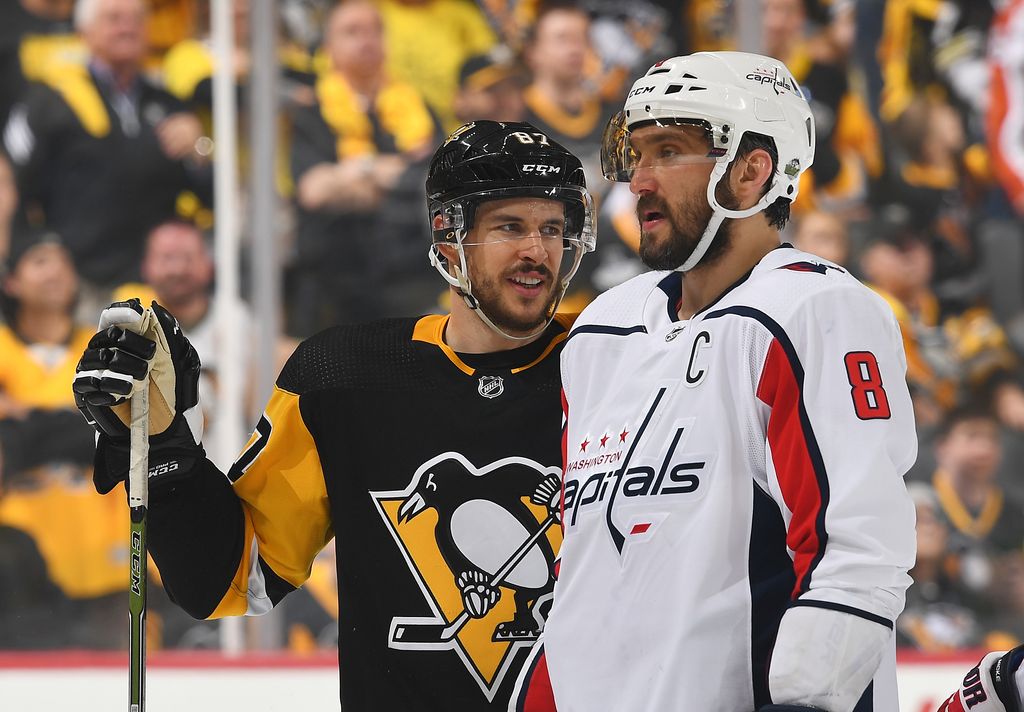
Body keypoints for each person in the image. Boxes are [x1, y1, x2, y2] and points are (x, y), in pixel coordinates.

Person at [72, 120, 595, 709]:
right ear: (449, 239)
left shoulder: (615, 365)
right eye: (509, 227)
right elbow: (230, 579)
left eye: (554, 228)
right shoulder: (346, 378)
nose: (537, 251)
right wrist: (167, 447)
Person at [532, 51, 918, 712]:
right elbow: (583, 574)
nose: (640, 181)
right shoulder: (603, 330)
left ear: (752, 171)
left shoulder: (812, 312)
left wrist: (807, 702)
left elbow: (853, 554)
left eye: (670, 151)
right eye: (638, 154)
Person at [2, 0, 212, 313]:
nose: (127, 27)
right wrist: (27, 256)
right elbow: (14, 185)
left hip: (157, 289)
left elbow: (211, 194)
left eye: (136, 19)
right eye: (114, 18)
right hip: (79, 287)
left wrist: (200, 147)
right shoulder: (50, 99)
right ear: (83, 30)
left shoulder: (168, 104)